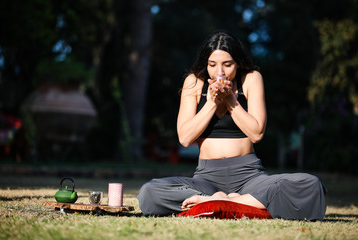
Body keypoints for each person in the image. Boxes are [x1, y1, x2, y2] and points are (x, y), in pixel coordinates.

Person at [137, 30, 326, 220]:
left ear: (237, 63)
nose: (219, 72)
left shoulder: (251, 78)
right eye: (212, 65)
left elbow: (257, 133)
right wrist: (211, 103)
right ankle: (230, 200)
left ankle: (221, 202)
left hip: (250, 176)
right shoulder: (194, 82)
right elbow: (185, 138)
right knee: (149, 192)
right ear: (206, 64)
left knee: (310, 184)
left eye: (227, 64)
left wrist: (230, 101)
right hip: (206, 178)